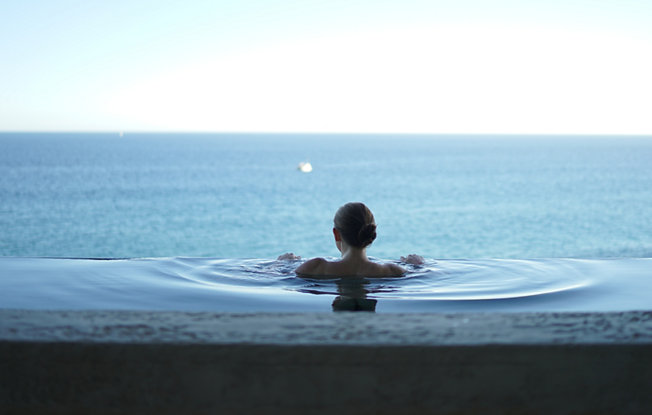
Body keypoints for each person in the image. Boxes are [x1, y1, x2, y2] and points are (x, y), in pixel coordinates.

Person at [278, 202, 423, 278]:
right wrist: (417, 265)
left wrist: (282, 264)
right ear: (371, 235)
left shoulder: (316, 267)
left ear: (336, 234)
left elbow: (277, 276)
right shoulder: (392, 271)